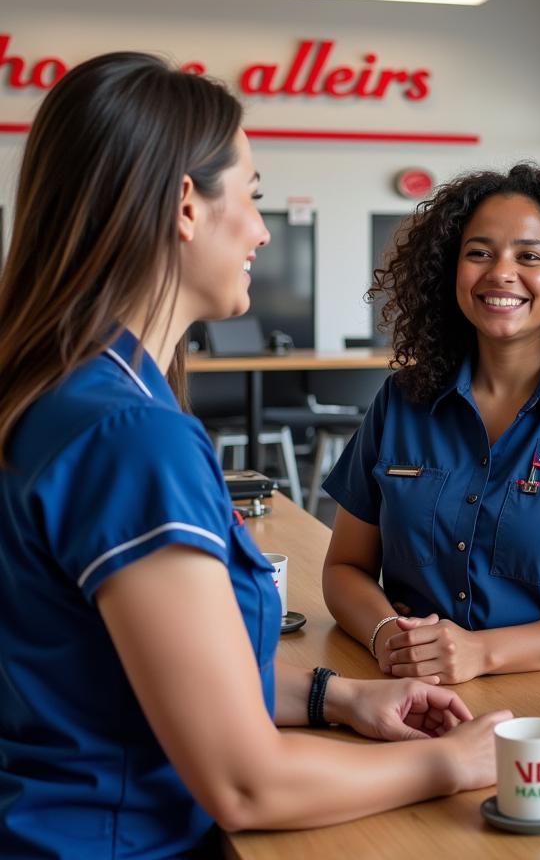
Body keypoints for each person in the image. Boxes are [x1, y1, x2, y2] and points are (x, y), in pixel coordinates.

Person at [0, 52, 510, 860]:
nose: (265, 230)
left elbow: (143, 668)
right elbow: (245, 783)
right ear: (185, 206)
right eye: (254, 196)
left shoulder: (60, 394)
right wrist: (455, 760)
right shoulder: (131, 438)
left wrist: (335, 697)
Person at [321, 164, 540, 717]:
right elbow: (344, 567)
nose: (501, 273)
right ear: (450, 270)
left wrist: (479, 652)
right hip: (416, 702)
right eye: (479, 252)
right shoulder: (402, 401)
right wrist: (389, 635)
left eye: (530, 256)